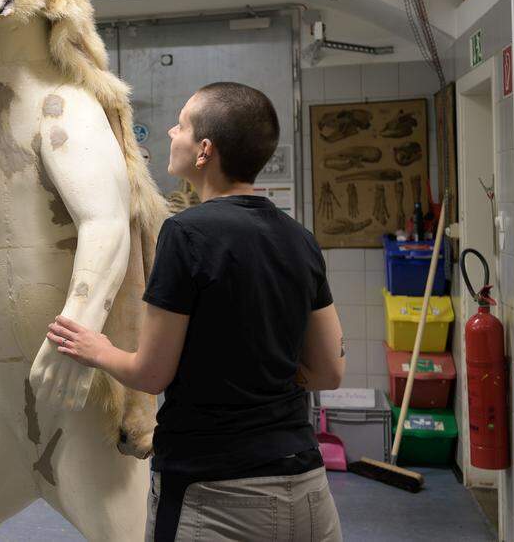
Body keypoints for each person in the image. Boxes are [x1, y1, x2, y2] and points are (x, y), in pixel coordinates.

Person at [46, 82, 346, 541]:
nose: (171, 131)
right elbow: (328, 371)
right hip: (306, 485)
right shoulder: (297, 236)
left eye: (182, 124)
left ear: (204, 150)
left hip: (215, 492)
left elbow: (151, 374)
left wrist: (97, 348)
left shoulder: (186, 234)